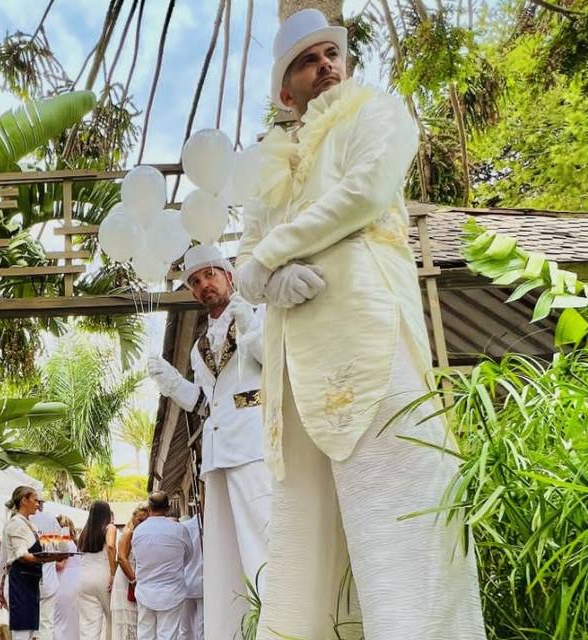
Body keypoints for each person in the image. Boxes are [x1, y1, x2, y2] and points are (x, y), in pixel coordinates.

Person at [234, 9, 486, 640]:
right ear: (285, 91)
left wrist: (272, 257)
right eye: (307, 60)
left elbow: (366, 193)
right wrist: (264, 277)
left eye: (332, 55)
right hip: (293, 365)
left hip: (368, 338)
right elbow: (243, 257)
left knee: (400, 518)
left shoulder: (378, 111)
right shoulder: (267, 166)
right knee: (302, 541)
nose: (326, 66)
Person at [147, 245, 273, 638]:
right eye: (195, 282)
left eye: (210, 276)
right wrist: (171, 384)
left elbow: (275, 361)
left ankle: (276, 623)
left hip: (254, 445)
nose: (204, 286)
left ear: (229, 275)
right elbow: (205, 404)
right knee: (223, 551)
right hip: (217, 455)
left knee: (263, 535)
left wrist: (250, 326)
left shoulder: (261, 312)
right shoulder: (198, 344)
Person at [2, 486, 62, 640]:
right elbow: (22, 555)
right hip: (19, 584)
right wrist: (48, 558)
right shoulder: (16, 524)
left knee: (30, 633)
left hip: (30, 583)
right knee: (21, 634)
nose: (38, 504)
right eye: (35, 500)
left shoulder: (29, 524)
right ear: (24, 500)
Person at [131, 492, 193, 640]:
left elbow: (136, 558)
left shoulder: (138, 531)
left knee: (145, 634)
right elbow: (189, 555)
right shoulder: (179, 530)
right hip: (172, 591)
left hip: (145, 590)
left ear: (149, 508)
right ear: (168, 507)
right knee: (168, 635)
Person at [77, 500, 117, 639]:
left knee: (88, 623)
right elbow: (111, 546)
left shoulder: (84, 531)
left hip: (83, 577)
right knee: (112, 618)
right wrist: (113, 573)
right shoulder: (109, 528)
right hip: (103, 576)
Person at [111, 505, 150, 640]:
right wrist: (133, 580)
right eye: (140, 520)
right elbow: (121, 558)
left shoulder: (138, 533)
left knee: (134, 621)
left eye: (146, 521)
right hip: (126, 579)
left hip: (131, 578)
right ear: (133, 518)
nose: (142, 524)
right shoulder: (129, 532)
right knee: (128, 621)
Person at [29, 490, 61, 640]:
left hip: (25, 582)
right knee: (46, 623)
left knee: (26, 627)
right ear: (40, 503)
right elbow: (64, 547)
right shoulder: (50, 520)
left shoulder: (17, 520)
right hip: (47, 580)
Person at [54, 515, 82, 640]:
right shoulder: (73, 543)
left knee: (60, 619)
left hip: (64, 581)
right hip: (75, 580)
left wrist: (45, 561)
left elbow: (60, 565)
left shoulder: (63, 543)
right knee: (72, 619)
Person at [179, 515, 203, 640]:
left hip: (186, 581)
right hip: (203, 584)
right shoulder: (209, 526)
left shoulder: (184, 527)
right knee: (202, 626)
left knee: (184, 627)